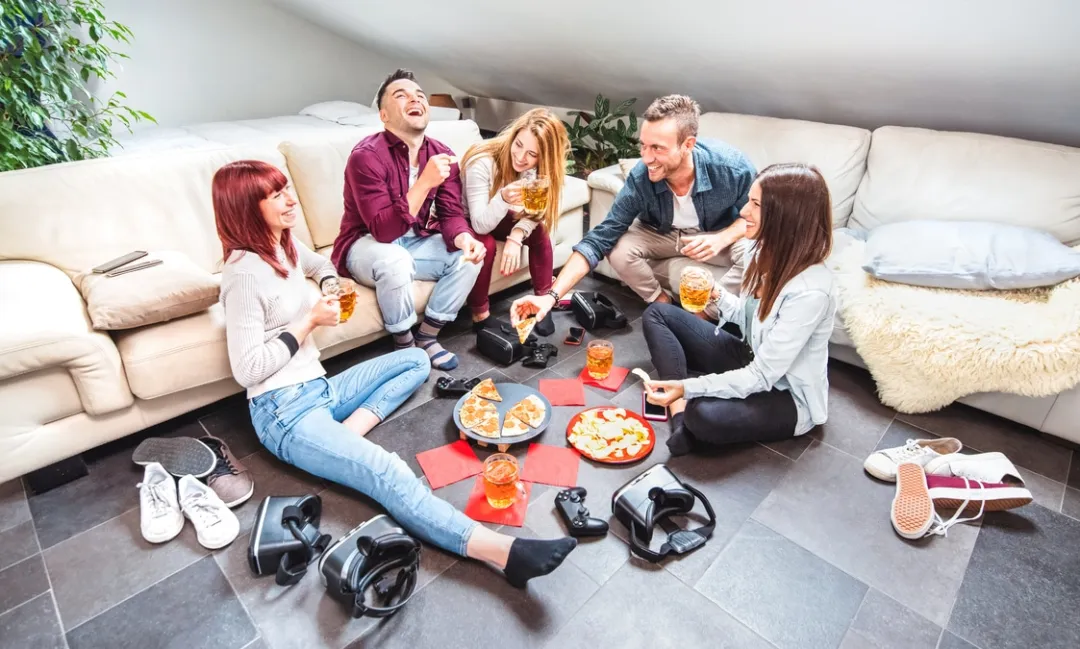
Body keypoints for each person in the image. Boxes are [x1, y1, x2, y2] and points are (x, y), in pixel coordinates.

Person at [215, 160, 576, 588]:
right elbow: (247, 370)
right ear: (244, 208)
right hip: (283, 413)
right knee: (385, 470)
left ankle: (349, 433)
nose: (289, 199)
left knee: (416, 360)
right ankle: (500, 552)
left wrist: (330, 283)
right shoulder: (243, 275)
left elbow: (319, 264)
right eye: (274, 196)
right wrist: (308, 321)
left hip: (319, 389)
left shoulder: (283, 245)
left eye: (286, 189)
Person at [639, 163, 837, 455]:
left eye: (755, 204)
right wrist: (716, 293)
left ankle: (685, 412)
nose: (744, 211)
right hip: (749, 355)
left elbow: (761, 376)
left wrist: (688, 388)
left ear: (786, 216)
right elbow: (748, 317)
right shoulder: (760, 249)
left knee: (704, 414)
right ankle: (679, 416)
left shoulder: (810, 291)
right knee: (657, 314)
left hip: (785, 394)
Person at [509, 94, 755, 324]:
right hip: (664, 233)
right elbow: (599, 239)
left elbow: (761, 216)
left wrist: (722, 238)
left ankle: (706, 315)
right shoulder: (641, 177)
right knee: (617, 247)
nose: (647, 158)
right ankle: (661, 302)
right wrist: (549, 297)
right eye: (644, 146)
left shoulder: (730, 169)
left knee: (754, 253)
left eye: (657, 148)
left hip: (714, 234)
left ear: (687, 145)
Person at [331, 69, 488, 371]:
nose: (414, 99)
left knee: (470, 257)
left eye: (419, 95)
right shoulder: (366, 156)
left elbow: (451, 214)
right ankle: (403, 342)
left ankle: (428, 336)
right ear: (384, 115)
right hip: (364, 244)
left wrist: (464, 238)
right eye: (400, 95)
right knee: (395, 259)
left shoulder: (442, 154)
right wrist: (424, 182)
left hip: (413, 239)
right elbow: (383, 231)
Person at [460, 108, 569, 333]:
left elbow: (536, 213)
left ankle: (542, 302)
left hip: (494, 214)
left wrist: (516, 236)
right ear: (513, 137)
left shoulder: (539, 170)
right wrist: (502, 197)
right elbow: (480, 224)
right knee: (486, 245)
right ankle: (480, 315)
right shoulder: (482, 161)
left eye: (532, 154)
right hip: (466, 218)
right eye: (518, 145)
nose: (521, 158)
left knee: (540, 232)